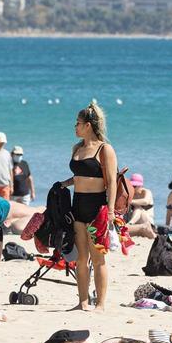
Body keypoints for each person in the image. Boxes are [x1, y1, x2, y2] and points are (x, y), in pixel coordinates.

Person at [63, 102, 118, 311]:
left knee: (98, 258)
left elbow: (111, 181)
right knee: (80, 258)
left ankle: (101, 304)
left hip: (97, 208)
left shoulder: (105, 149)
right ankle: (82, 301)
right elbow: (79, 176)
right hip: (77, 204)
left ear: (88, 125)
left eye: (77, 123)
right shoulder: (77, 148)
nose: (75, 127)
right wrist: (64, 184)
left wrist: (111, 210)